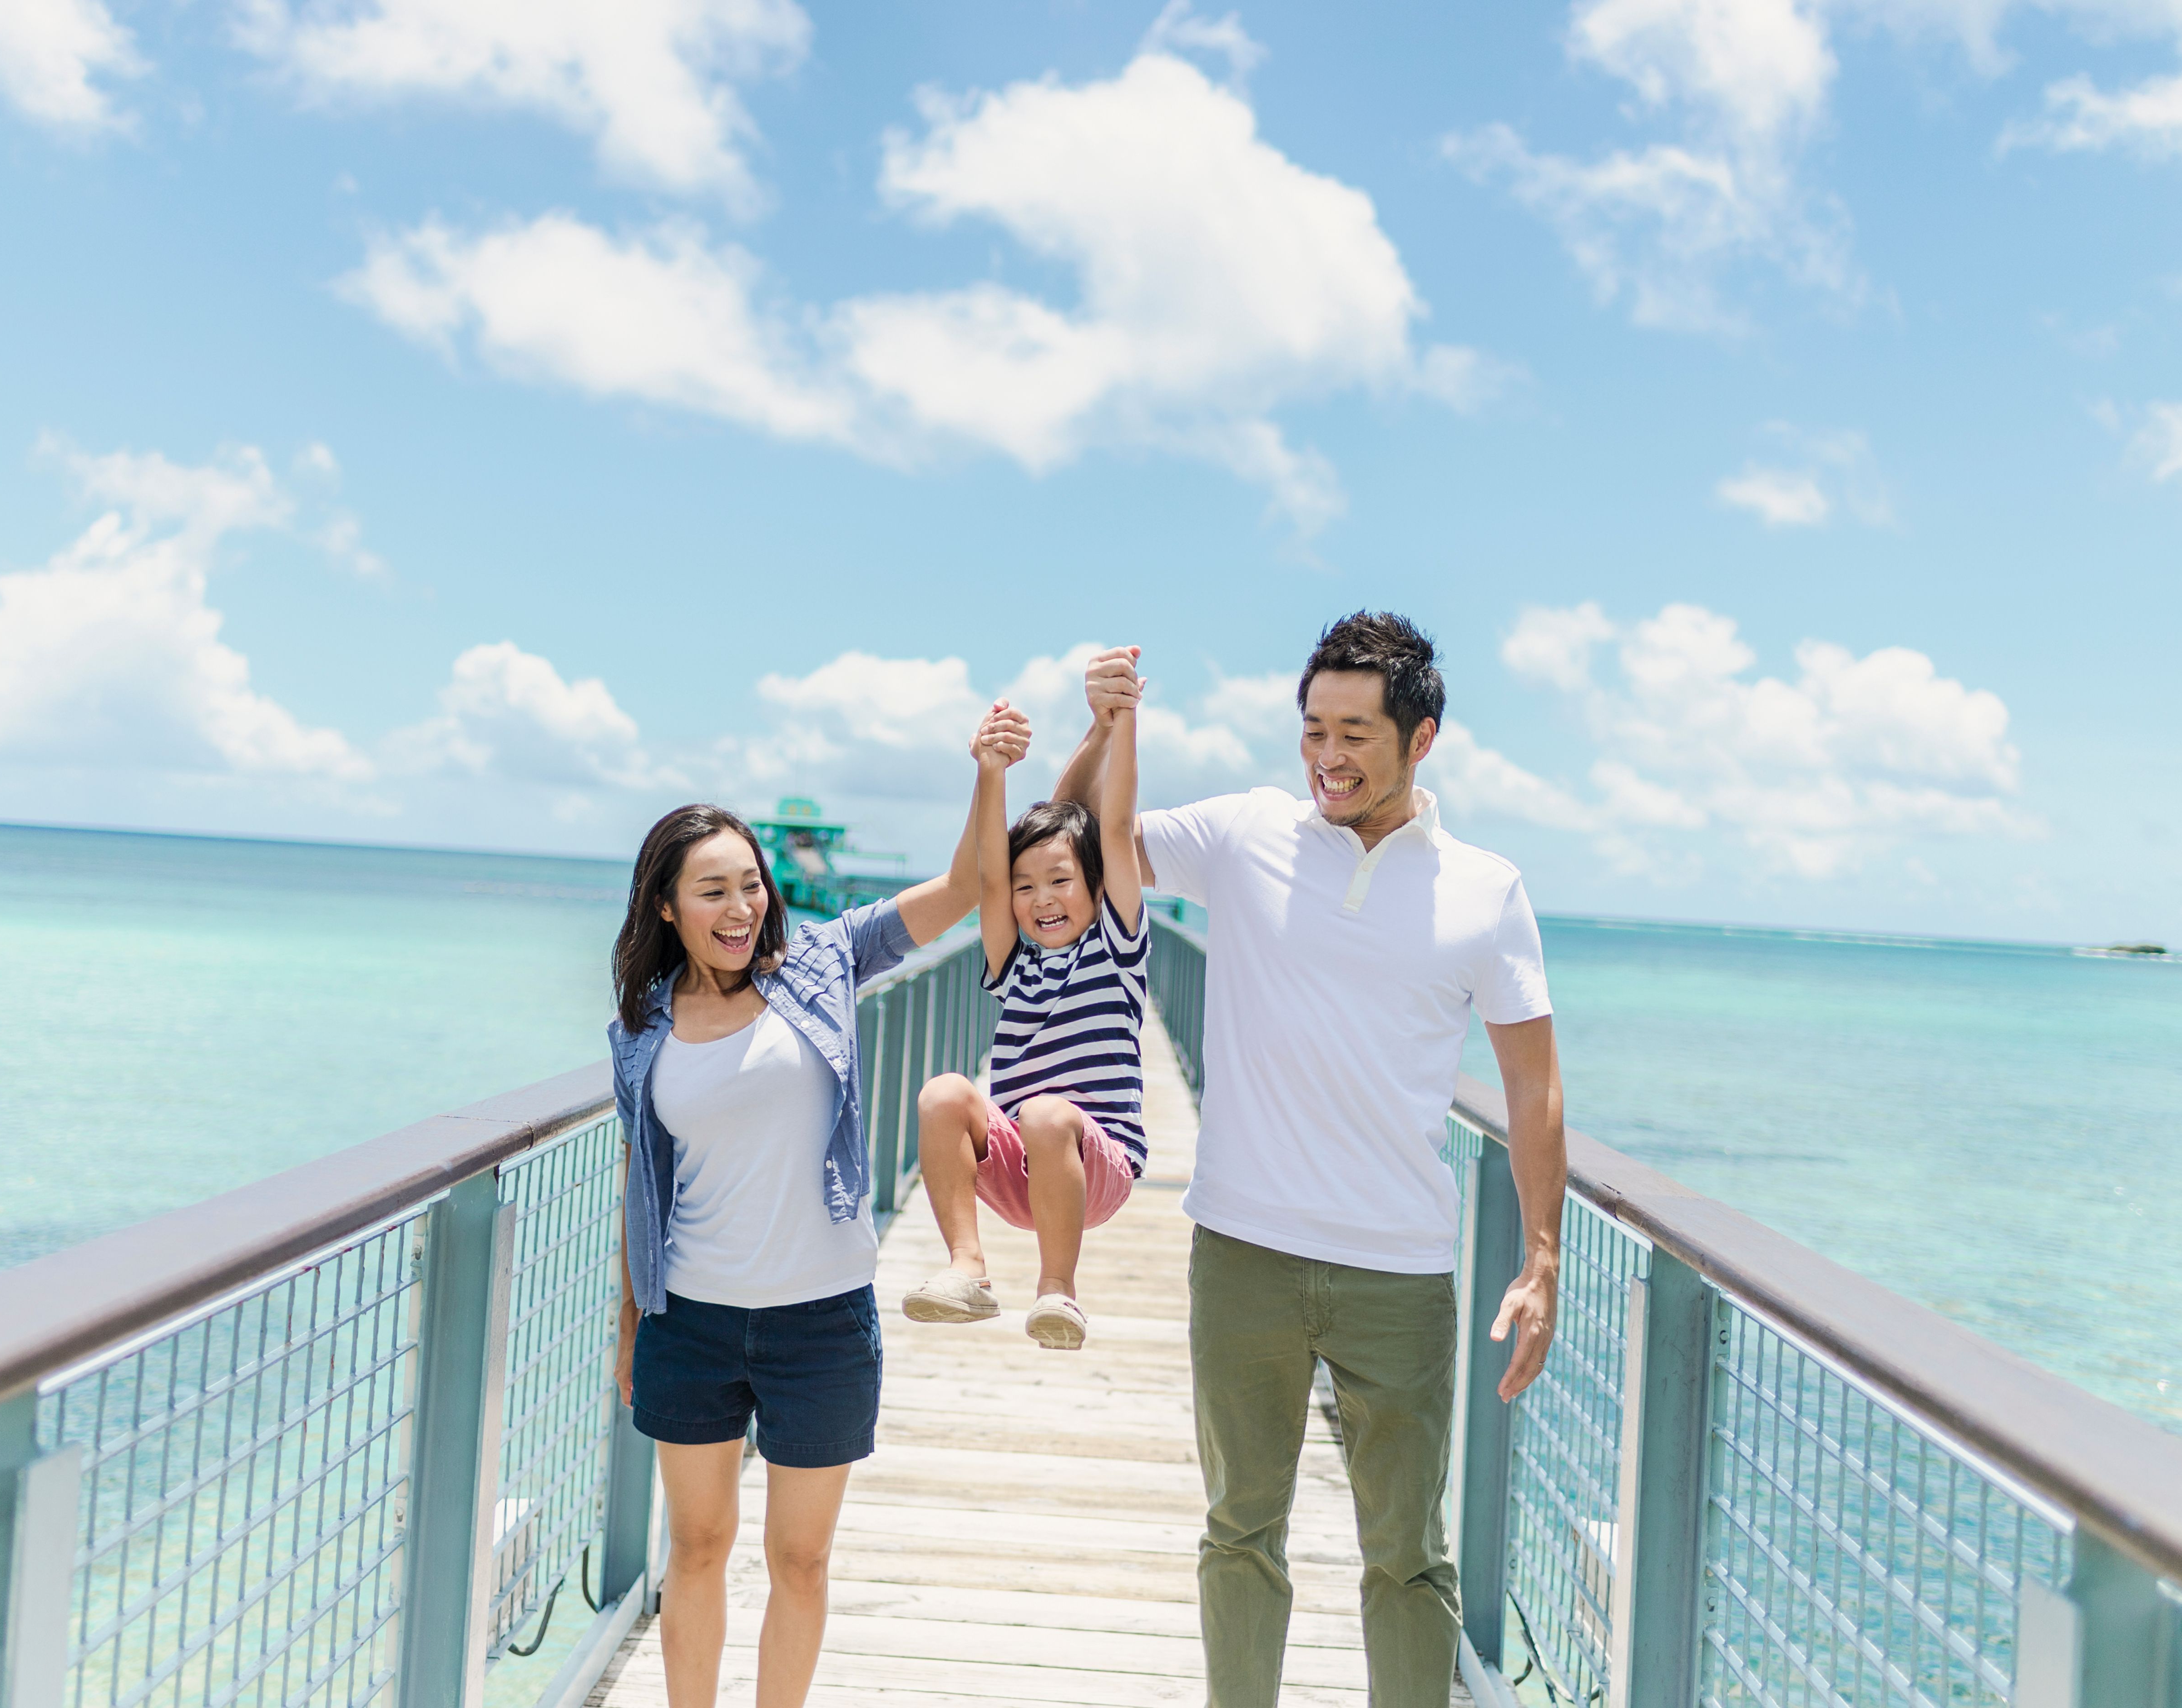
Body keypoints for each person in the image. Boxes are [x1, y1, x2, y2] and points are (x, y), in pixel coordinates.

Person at [1053, 613, 1567, 1707]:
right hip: (1244, 1250)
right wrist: (1100, 731)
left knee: (1408, 1555)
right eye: (1311, 730)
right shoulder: (1243, 833)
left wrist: (1540, 1258)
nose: (1326, 757)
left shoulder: (1486, 888)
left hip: (1401, 1270)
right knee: (1239, 1531)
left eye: (1353, 734)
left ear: (1420, 739)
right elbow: (1073, 853)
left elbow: (1532, 1085)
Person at [608, 702, 1029, 1708]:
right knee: (696, 1547)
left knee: (799, 1560)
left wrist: (987, 773)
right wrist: (627, 1327)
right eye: (712, 890)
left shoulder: (824, 960)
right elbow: (640, 1187)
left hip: (820, 1321)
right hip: (691, 1322)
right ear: (665, 906)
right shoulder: (639, 1028)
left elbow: (970, 889)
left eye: (751, 883)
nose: (741, 907)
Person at [902, 667, 1148, 1350]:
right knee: (944, 1093)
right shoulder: (1016, 963)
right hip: (1019, 1170)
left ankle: (1057, 1290)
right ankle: (968, 1269)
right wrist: (991, 770)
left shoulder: (1117, 949)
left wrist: (1124, 719)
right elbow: (988, 878)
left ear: (1096, 886)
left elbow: (1116, 828)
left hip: (1095, 1168)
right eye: (1026, 886)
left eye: (1060, 880)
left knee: (1045, 1113)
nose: (1041, 898)